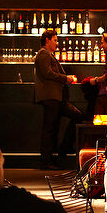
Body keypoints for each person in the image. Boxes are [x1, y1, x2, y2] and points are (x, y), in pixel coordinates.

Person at [34, 30, 81, 170]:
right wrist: (66, 79)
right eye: (55, 40)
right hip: (51, 97)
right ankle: (47, 161)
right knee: (49, 129)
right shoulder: (43, 54)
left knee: (74, 118)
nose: (57, 43)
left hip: (56, 97)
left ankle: (61, 151)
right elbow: (47, 73)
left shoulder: (47, 54)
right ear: (47, 40)